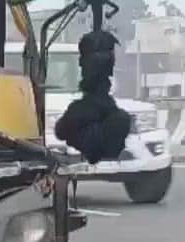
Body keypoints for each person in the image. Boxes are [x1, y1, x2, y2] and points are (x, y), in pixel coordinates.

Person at [52, 28, 131, 163]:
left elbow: (61, 132)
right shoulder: (120, 119)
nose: (80, 65)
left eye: (83, 61)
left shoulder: (78, 113)